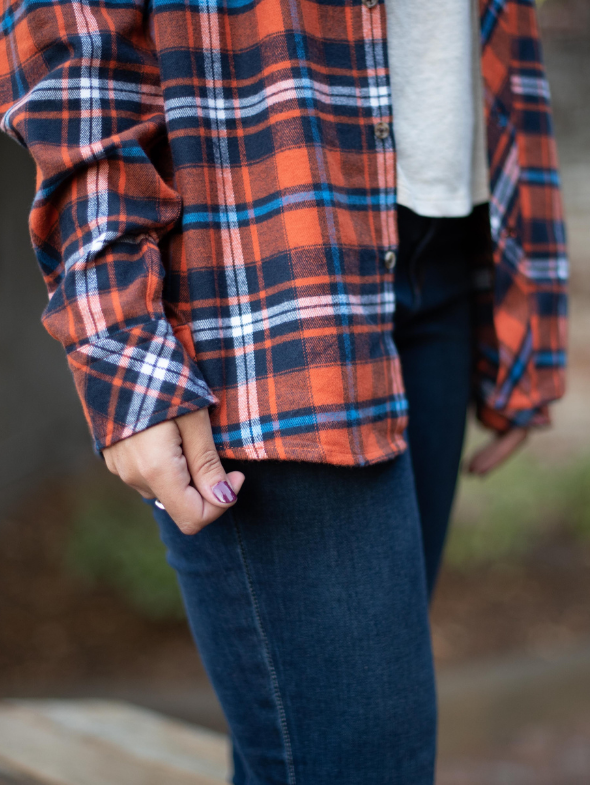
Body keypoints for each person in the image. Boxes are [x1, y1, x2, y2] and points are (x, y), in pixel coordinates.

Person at [0, 0, 567, 780]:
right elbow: (65, 31)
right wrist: (117, 333)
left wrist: (523, 293)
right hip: (264, 264)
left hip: (445, 235)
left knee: (301, 750)